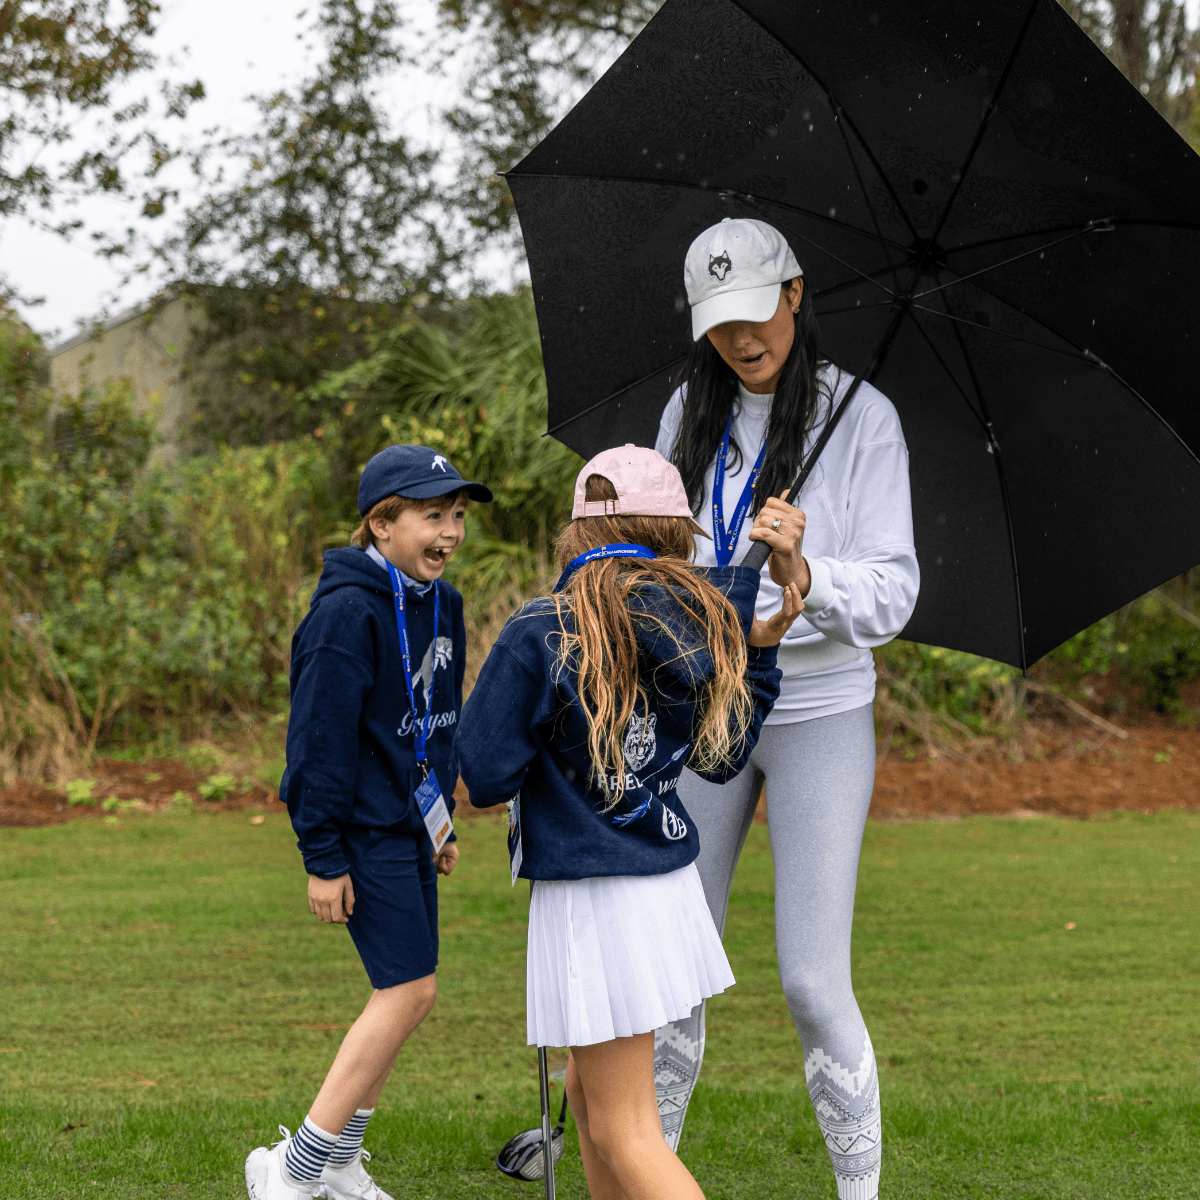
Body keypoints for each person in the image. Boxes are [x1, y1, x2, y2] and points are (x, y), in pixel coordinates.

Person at [652, 217, 920, 1200]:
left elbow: (894, 593)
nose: (741, 338)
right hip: (708, 702)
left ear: (796, 296)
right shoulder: (688, 411)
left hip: (820, 710)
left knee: (811, 980)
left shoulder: (864, 417)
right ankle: (644, 1176)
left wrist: (809, 573)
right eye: (719, 322)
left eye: (756, 312)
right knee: (669, 962)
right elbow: (652, 556)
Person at [456, 445, 804, 1200]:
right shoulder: (703, 621)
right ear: (673, 532)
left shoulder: (543, 628)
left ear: (578, 532)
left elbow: (483, 774)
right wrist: (761, 654)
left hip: (596, 897)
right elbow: (721, 759)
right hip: (659, 885)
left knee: (625, 1130)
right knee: (590, 1103)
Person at [244, 445, 493, 1200]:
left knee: (407, 991)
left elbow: (437, 723)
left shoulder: (443, 603)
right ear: (381, 524)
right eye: (432, 515)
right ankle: (292, 1172)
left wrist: (440, 822)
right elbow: (317, 744)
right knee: (409, 993)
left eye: (457, 515)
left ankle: (341, 1163)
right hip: (360, 830)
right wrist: (322, 857)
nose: (450, 532)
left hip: (411, 826)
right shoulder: (345, 615)